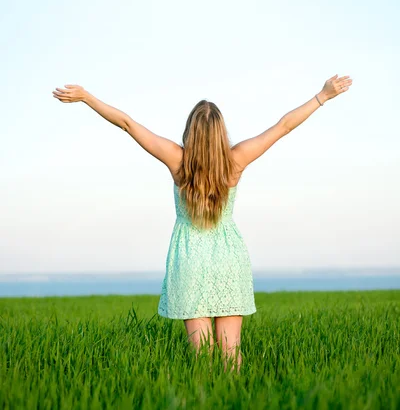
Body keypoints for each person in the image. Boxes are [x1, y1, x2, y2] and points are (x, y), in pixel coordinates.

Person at [52, 73, 352, 372]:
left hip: (189, 260)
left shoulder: (177, 160)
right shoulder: (237, 160)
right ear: (221, 132)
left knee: (202, 360)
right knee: (231, 355)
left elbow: (128, 124)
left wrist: (87, 97)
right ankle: (235, 409)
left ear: (190, 131)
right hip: (228, 259)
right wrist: (322, 96)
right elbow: (283, 127)